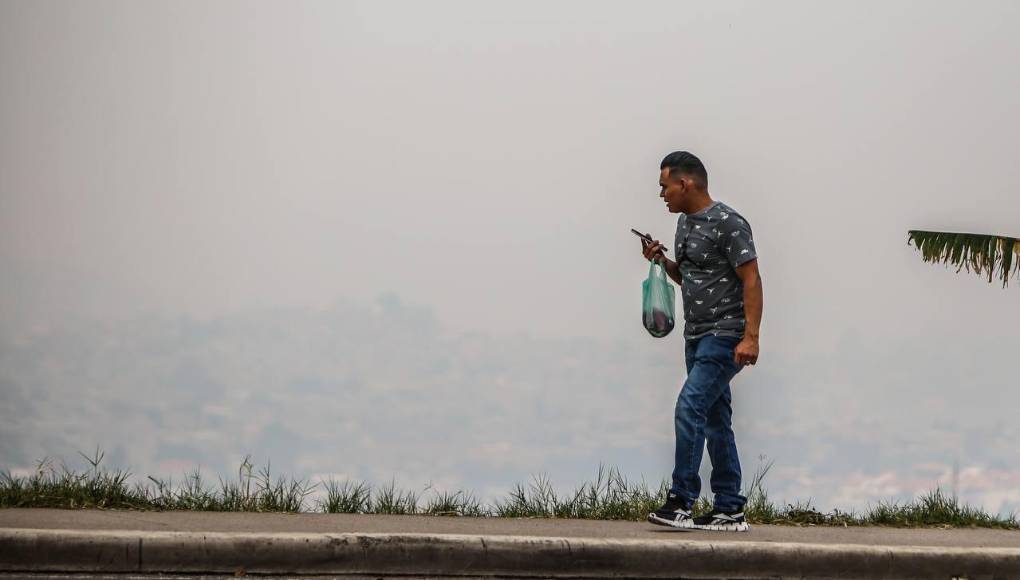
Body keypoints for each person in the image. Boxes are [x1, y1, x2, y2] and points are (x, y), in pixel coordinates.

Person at [640, 151, 763, 532]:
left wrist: (751, 337)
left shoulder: (728, 222)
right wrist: (662, 262)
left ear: (685, 182)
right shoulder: (684, 225)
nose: (661, 194)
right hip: (695, 337)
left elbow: (752, 278)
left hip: (724, 336)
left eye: (664, 186)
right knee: (715, 419)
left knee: (688, 406)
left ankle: (681, 501)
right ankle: (730, 508)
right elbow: (693, 278)